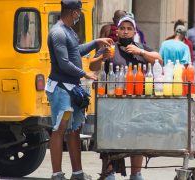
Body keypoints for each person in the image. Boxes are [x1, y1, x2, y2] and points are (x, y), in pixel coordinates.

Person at [45, 0, 113, 179]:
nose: (79, 15)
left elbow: (76, 52)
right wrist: (86, 74)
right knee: (60, 128)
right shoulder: (58, 32)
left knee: (74, 129)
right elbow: (63, 63)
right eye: (79, 13)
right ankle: (57, 174)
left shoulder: (69, 31)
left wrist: (96, 42)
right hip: (61, 89)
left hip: (72, 88)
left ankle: (77, 173)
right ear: (74, 12)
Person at [90, 16, 162, 180]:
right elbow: (91, 65)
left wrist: (141, 52)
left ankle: (136, 174)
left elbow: (159, 59)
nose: (126, 31)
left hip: (137, 102)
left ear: (134, 31)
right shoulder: (110, 48)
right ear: (118, 31)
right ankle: (109, 172)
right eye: (123, 28)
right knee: (110, 136)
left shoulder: (141, 48)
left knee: (136, 136)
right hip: (112, 102)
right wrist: (103, 57)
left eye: (129, 28)